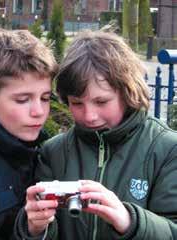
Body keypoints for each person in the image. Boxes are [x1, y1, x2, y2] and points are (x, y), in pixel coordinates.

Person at [15, 30, 177, 240]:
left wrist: (130, 221)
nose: (89, 116)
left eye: (101, 102)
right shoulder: (53, 152)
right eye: (76, 103)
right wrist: (34, 229)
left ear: (128, 92)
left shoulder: (167, 149)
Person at [0, 26, 57, 240]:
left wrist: (31, 229)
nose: (39, 112)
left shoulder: (43, 152)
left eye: (45, 98)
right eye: (23, 100)